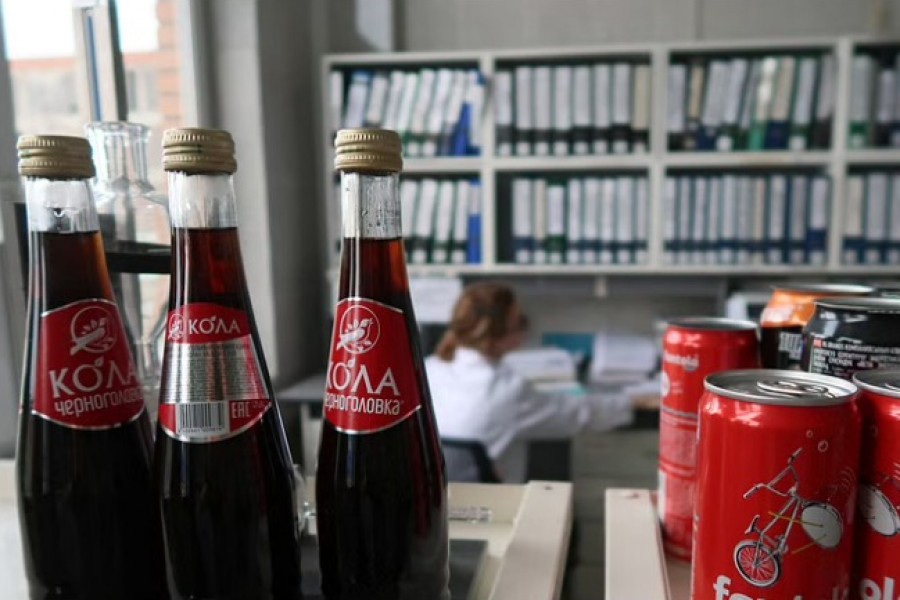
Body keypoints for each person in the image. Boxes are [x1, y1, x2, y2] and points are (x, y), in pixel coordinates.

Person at [425, 282, 659, 483]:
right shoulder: (507, 390)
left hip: (437, 508)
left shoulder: (427, 370)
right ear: (497, 338)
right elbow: (578, 413)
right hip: (494, 510)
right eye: (520, 322)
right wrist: (633, 400)